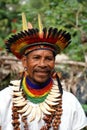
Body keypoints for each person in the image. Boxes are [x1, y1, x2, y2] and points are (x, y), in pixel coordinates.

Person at [0, 13, 87, 130]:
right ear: (25, 62)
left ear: (54, 62)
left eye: (48, 59)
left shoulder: (70, 103)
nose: (42, 64)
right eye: (36, 58)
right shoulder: (4, 99)